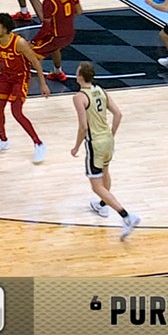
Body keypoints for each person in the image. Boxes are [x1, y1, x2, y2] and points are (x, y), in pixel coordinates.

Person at [70, 61, 139, 239]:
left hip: (94, 143)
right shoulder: (101, 90)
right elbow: (118, 114)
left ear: (79, 77)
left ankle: (126, 216)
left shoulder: (79, 97)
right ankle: (102, 205)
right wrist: (112, 134)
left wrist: (76, 146)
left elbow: (83, 127)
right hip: (108, 139)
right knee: (105, 172)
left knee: (96, 185)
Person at [0, 12, 49, 163]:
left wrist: (43, 83)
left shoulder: (19, 42)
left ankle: (39, 143)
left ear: (5, 28)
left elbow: (35, 62)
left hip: (20, 79)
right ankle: (3, 140)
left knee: (16, 112)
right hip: (5, 76)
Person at [31, 0, 81, 81]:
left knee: (29, 54)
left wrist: (33, 41)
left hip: (56, 37)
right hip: (70, 34)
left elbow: (46, 28)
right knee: (55, 48)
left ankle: (25, 81)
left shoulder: (49, 1)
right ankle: (58, 72)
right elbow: (79, 11)